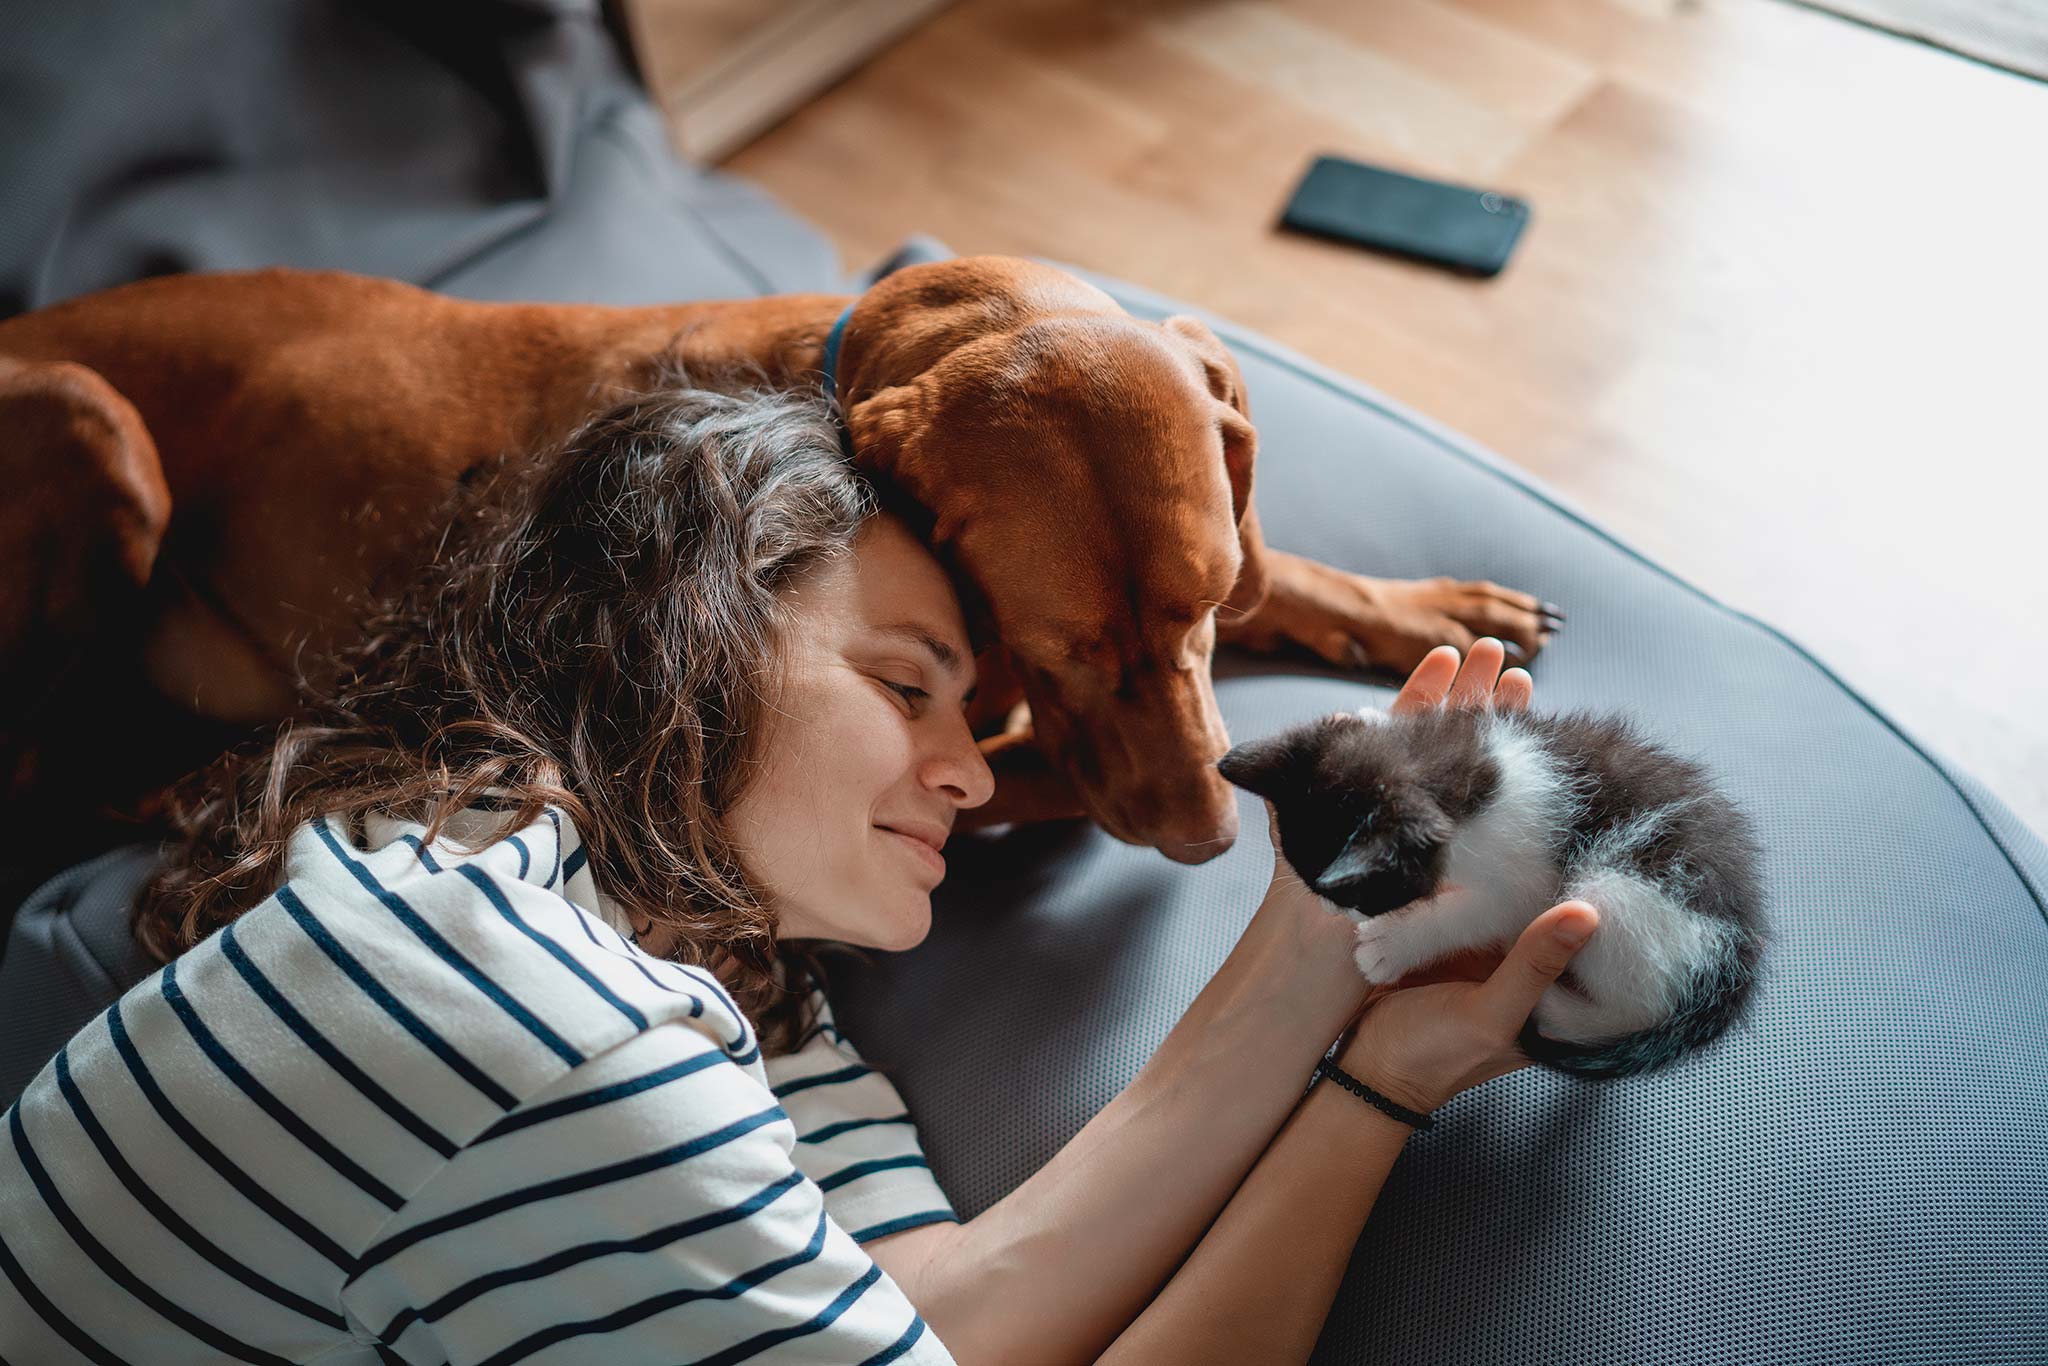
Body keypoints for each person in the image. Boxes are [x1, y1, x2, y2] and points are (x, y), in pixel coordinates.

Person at [0, 375, 1598, 1365]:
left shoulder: (702, 967)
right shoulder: (543, 1021)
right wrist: (1371, 1109)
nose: (974, 773)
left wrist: (1326, 964)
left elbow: (955, 1314)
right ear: (680, 638)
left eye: (971, 711)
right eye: (906, 685)